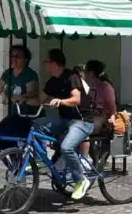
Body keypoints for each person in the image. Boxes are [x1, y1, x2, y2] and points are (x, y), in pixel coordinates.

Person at [34, 48, 94, 200]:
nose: (44, 65)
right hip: (65, 121)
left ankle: (80, 180)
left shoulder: (71, 77)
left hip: (82, 121)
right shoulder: (52, 81)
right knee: (36, 125)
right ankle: (41, 161)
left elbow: (77, 99)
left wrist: (61, 101)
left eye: (46, 62)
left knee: (66, 147)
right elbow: (39, 100)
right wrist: (20, 98)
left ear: (54, 63)